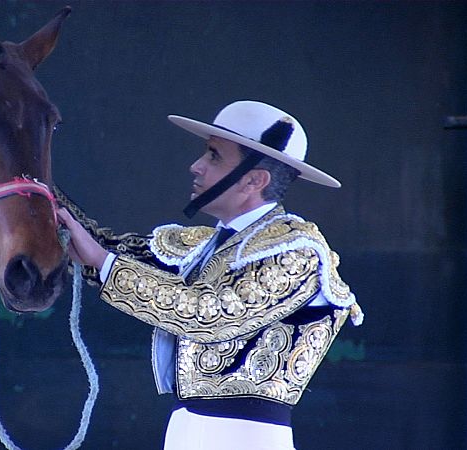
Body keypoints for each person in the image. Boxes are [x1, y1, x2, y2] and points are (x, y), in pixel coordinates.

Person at [56, 100, 364, 450]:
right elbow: (103, 248)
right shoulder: (205, 245)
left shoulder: (298, 250)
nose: (196, 166)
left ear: (254, 180)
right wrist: (30, 193)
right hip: (186, 431)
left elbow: (209, 316)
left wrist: (102, 261)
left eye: (214, 156)